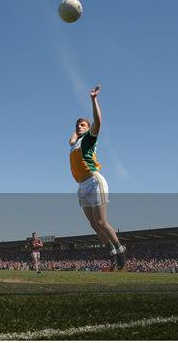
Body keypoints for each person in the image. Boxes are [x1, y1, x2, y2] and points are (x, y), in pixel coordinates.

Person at [68, 85, 126, 270]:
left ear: (88, 128)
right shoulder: (75, 143)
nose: (79, 126)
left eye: (82, 124)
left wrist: (94, 99)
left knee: (101, 221)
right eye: (77, 125)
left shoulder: (89, 138)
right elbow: (70, 141)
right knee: (93, 224)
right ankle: (112, 251)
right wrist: (76, 128)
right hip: (81, 186)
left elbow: (98, 121)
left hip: (94, 181)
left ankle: (120, 248)